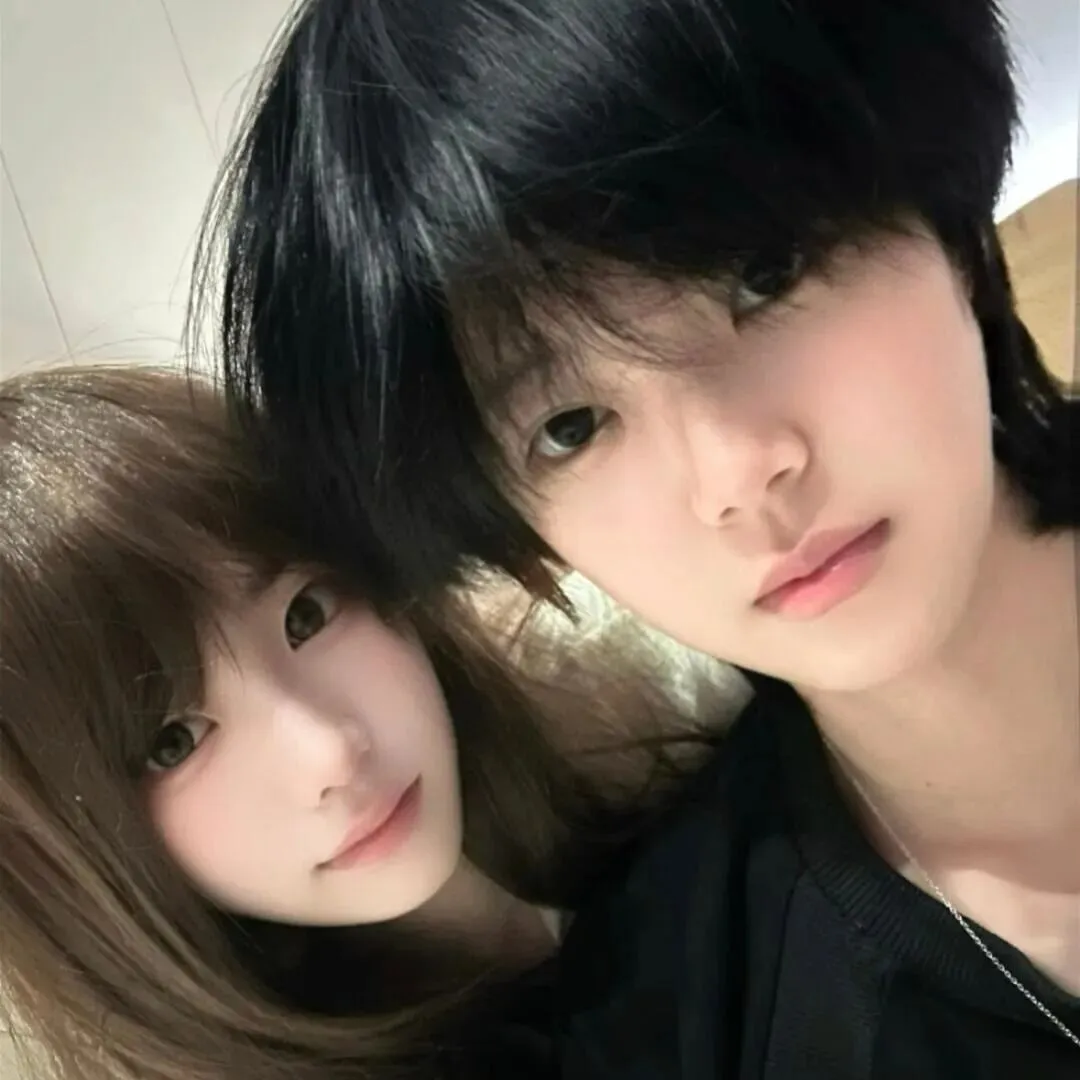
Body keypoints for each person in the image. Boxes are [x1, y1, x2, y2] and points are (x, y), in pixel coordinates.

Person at [201, 0, 1079, 1074]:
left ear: (939, 214)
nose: (737, 473)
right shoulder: (691, 1019)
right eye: (570, 428)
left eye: (766, 274)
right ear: (523, 536)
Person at [0, 364, 727, 1080]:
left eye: (306, 614)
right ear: (74, 862)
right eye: (175, 742)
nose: (329, 751)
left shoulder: (684, 730)